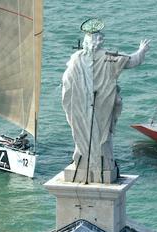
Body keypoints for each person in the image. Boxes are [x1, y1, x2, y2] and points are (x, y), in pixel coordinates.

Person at [61, 18, 150, 183]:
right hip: (102, 104)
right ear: (99, 42)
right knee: (102, 136)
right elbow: (132, 61)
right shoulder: (108, 57)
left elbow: (67, 84)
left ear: (86, 42)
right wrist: (142, 50)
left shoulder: (76, 59)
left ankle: (86, 163)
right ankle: (101, 164)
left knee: (84, 134)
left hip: (80, 105)